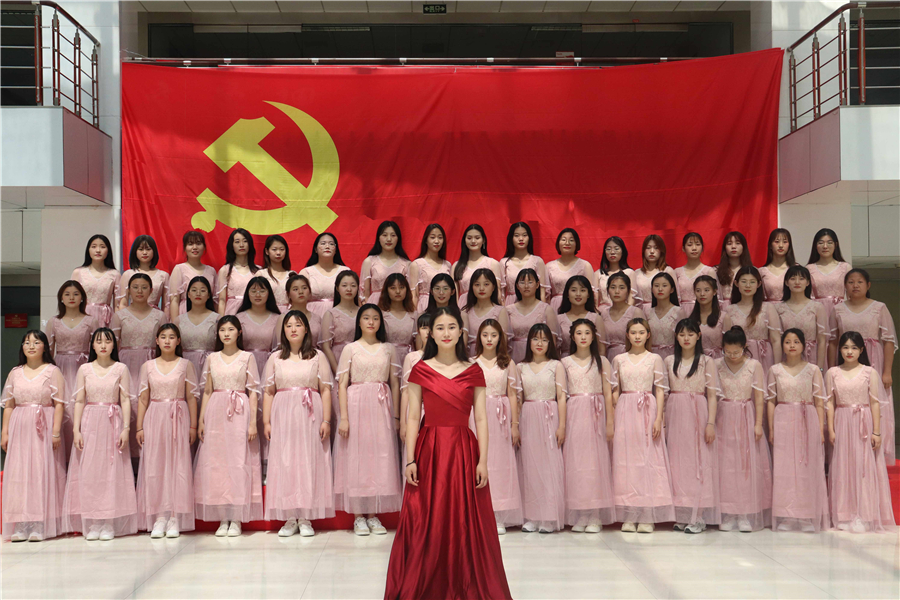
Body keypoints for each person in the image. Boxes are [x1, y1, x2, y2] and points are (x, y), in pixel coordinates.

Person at [385, 308, 512, 600]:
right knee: (425, 519)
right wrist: (410, 459)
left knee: (466, 520)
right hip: (429, 450)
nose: (446, 333)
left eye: (451, 327)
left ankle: (464, 582)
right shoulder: (420, 369)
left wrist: (483, 461)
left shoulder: (474, 370)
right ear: (430, 333)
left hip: (463, 451)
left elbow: (481, 419)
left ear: (460, 332)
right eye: (440, 327)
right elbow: (413, 416)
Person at [262, 311, 335, 537]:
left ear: (306, 329)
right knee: (285, 461)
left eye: (298, 324)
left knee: (308, 460)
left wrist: (326, 420)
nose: (293, 329)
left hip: (310, 414)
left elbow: (325, 389)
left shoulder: (317, 356)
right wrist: (266, 421)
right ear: (283, 330)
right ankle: (289, 517)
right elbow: (268, 391)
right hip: (283, 414)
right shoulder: (275, 358)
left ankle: (305, 517)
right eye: (289, 325)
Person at [333, 304, 403, 536]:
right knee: (357, 457)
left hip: (381, 407)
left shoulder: (388, 349)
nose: (371, 322)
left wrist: (396, 416)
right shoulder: (350, 349)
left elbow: (395, 384)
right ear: (359, 322)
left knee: (379, 458)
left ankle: (373, 515)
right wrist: (344, 417)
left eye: (375, 318)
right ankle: (358, 516)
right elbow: (342, 384)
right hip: (356, 405)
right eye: (366, 318)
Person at [63, 328, 138, 540]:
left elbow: (125, 400)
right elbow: (79, 401)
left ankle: (108, 522)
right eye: (99, 341)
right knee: (90, 472)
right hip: (90, 422)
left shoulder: (120, 368)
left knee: (111, 472)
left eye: (107, 341)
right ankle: (93, 521)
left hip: (113, 422)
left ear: (114, 345)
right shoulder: (84, 369)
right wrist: (76, 430)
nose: (103, 345)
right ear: (93, 345)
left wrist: (126, 428)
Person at [193, 316, 263, 537]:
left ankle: (237, 517)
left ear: (239, 332)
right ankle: (224, 516)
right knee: (218, 462)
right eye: (222, 330)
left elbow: (253, 392)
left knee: (238, 461)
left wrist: (252, 422)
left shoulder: (247, 357)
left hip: (240, 411)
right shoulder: (212, 358)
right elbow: (207, 391)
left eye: (231, 329)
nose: (226, 334)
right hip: (216, 411)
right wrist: (201, 420)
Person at [825, 331, 895, 533]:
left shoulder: (869, 372)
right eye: (845, 347)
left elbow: (875, 403)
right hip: (842, 421)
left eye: (854, 348)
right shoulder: (832, 373)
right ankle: (844, 515)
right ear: (840, 350)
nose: (849, 351)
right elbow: (829, 403)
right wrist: (831, 429)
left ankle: (864, 515)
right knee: (843, 467)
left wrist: (877, 432)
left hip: (863, 422)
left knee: (863, 468)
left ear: (861, 350)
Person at [1, 331, 67, 542]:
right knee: (19, 473)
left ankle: (39, 524)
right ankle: (22, 524)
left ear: (45, 347)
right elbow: (9, 405)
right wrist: (5, 432)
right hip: (20, 425)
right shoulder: (15, 373)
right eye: (27, 342)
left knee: (40, 472)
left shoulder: (52, 371)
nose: (31, 346)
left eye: (36, 342)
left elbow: (59, 404)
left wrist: (55, 432)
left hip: (44, 426)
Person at [611, 318, 674, 533]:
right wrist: (615, 412)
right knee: (627, 461)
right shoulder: (619, 359)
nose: (637, 336)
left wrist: (659, 418)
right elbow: (615, 390)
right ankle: (629, 514)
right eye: (633, 332)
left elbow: (660, 390)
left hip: (648, 409)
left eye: (641, 332)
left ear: (648, 335)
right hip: (625, 409)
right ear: (627, 335)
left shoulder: (655, 359)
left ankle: (647, 514)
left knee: (648, 459)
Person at [135, 324, 198, 538]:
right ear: (157, 340)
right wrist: (139, 426)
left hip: (178, 416)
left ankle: (174, 517)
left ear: (178, 341)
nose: (167, 341)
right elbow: (143, 398)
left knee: (178, 465)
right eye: (163, 337)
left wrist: (193, 426)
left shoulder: (186, 365)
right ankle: (159, 517)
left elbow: (191, 397)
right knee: (155, 465)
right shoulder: (148, 366)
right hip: (155, 416)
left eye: (172, 337)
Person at [828, 268, 896, 463]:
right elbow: (833, 342)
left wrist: (887, 371)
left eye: (859, 282)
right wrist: (832, 368)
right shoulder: (838, 309)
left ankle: (875, 447)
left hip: (874, 360)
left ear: (868, 285)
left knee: (874, 402)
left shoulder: (879, 307)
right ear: (845, 286)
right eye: (851, 282)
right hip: (846, 363)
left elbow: (889, 341)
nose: (855, 285)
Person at [767, 329, 829, 532]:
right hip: (783, 417)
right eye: (787, 342)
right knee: (784, 468)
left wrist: (820, 429)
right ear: (782, 346)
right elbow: (770, 401)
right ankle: (786, 515)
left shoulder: (813, 370)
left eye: (796, 342)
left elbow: (819, 402)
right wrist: (771, 428)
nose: (792, 345)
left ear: (804, 345)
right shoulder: (775, 370)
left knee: (806, 468)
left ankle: (806, 516)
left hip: (807, 418)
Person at [665, 319, 721, 534]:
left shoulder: (707, 362)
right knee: (678, 462)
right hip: (675, 412)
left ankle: (698, 517)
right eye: (681, 334)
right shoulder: (669, 360)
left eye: (690, 334)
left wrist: (710, 423)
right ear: (676, 337)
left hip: (698, 412)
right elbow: (664, 393)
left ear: (699, 336)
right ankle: (682, 514)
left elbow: (712, 395)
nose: (686, 338)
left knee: (698, 462)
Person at [716, 326, 773, 532]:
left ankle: (745, 514)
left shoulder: (754, 365)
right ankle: (728, 513)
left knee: (746, 465)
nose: (732, 356)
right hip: (723, 416)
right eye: (728, 352)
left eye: (736, 352)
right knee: (726, 465)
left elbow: (759, 397)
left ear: (744, 347)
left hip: (746, 415)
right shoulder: (716, 365)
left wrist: (758, 423)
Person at [561, 319, 615, 532]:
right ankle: (580, 514)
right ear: (572, 337)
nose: (583, 337)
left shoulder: (602, 361)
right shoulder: (564, 363)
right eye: (578, 333)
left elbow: (608, 393)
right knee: (576, 463)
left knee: (595, 463)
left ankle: (594, 516)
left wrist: (609, 421)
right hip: (574, 413)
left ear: (593, 337)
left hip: (596, 414)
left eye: (587, 333)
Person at [110, 273, 168, 461]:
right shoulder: (119, 316)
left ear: (151, 291)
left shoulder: (160, 316)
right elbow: (113, 347)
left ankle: (149, 457)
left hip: (152, 365)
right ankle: (127, 459)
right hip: (126, 365)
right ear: (128, 291)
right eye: (135, 287)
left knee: (148, 405)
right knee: (127, 404)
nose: (139, 291)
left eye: (144, 287)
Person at [517, 323, 567, 533]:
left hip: (550, 415)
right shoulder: (520, 367)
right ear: (529, 341)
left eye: (545, 340)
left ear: (550, 343)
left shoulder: (556, 365)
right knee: (530, 466)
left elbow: (562, 396)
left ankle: (548, 517)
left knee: (549, 466)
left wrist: (562, 425)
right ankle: (532, 516)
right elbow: (518, 398)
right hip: (528, 416)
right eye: (536, 339)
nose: (540, 343)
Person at [474, 319, 523, 534]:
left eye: (494, 335)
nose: (489, 339)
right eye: (485, 335)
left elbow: (512, 395)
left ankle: (499, 515)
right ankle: (480, 514)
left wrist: (514, 424)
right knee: (480, 461)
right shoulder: (472, 363)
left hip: (501, 417)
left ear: (500, 338)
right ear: (479, 337)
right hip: (478, 415)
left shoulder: (508, 363)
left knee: (501, 464)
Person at [46, 280, 97, 463]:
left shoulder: (91, 321)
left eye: (76, 294)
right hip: (60, 368)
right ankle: (62, 459)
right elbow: (48, 352)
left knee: (82, 409)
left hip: (84, 368)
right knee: (62, 409)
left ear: (82, 297)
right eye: (67, 294)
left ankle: (82, 459)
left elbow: (97, 349)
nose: (71, 297)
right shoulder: (54, 322)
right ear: (61, 298)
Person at [724, 266, 780, 374]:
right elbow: (727, 342)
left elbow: (776, 340)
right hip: (739, 359)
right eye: (744, 281)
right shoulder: (729, 310)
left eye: (752, 282)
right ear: (736, 283)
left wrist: (777, 368)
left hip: (764, 357)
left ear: (759, 284)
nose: (748, 285)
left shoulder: (768, 308)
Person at [774, 265, 829, 371]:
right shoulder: (778, 308)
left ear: (808, 282)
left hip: (811, 358)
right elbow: (777, 340)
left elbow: (822, 341)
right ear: (786, 282)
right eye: (793, 279)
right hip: (787, 359)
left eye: (801, 279)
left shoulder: (817, 307)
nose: (797, 282)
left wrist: (820, 367)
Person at [507, 268, 559, 363]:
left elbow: (552, 343)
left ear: (537, 284)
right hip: (514, 357)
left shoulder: (547, 310)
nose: (526, 286)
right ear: (517, 286)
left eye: (530, 282)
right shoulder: (508, 310)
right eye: (522, 282)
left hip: (539, 359)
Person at [168, 230, 218, 321]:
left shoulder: (211, 271)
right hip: (184, 315)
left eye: (198, 243)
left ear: (204, 247)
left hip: (207, 316)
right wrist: (175, 324)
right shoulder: (179, 269)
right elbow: (174, 300)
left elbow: (215, 301)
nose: (195, 247)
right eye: (190, 244)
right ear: (185, 248)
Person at [71, 234, 119, 328]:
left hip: (106, 319)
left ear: (108, 250)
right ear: (88, 250)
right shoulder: (78, 272)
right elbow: (71, 299)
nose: (98, 250)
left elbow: (118, 305)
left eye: (102, 247)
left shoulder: (115, 274)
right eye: (94, 246)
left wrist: (117, 326)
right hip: (82, 318)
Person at [299, 232, 351, 319]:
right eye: (323, 243)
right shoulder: (306, 272)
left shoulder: (345, 271)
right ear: (316, 249)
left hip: (339, 316)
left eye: (331, 244)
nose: (327, 246)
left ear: (336, 249)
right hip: (311, 316)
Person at [321, 270, 361, 378]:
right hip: (339, 359)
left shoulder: (363, 312)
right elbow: (326, 347)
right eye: (344, 285)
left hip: (361, 360)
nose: (349, 289)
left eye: (353, 285)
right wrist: (338, 371)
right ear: (337, 288)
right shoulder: (331, 314)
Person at [546, 228, 595, 314]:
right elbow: (545, 295)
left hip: (578, 307)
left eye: (571, 240)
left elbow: (591, 293)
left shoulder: (585, 265)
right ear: (558, 243)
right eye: (563, 239)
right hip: (555, 308)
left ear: (576, 244)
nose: (567, 243)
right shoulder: (549, 266)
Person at [360, 221, 410, 306]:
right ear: (378, 238)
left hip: (398, 307)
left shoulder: (406, 264)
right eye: (384, 235)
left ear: (398, 238)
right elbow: (364, 294)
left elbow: (410, 294)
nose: (389, 239)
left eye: (393, 235)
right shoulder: (369, 261)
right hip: (375, 307)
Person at [807, 228, 851, 322]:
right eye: (821, 243)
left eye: (829, 243)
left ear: (836, 245)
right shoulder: (809, 269)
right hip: (816, 313)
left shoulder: (845, 267)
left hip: (840, 312)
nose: (825, 246)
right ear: (815, 245)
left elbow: (851, 295)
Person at [556, 275, 606, 358]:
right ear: (567, 294)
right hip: (564, 362)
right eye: (574, 290)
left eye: (582, 290)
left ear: (588, 294)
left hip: (590, 362)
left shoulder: (596, 318)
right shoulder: (558, 319)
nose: (578, 294)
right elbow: (555, 350)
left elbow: (601, 350)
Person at [178, 276, 218, 378]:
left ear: (209, 295)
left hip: (210, 367)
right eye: (194, 290)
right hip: (184, 367)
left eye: (203, 290)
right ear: (188, 294)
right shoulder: (179, 320)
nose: (198, 293)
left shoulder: (217, 319)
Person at [116, 235, 169, 311]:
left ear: (154, 251)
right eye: (140, 249)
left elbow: (166, 305)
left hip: (155, 315)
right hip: (133, 314)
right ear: (135, 251)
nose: (144, 253)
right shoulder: (128, 274)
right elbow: (123, 303)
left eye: (148, 249)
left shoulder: (163, 275)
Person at [464, 268, 509, 357]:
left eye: (486, 284)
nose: (481, 288)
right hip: (469, 357)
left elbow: (503, 341)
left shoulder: (500, 311)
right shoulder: (465, 312)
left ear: (493, 287)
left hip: (492, 357)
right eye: (477, 284)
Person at [500, 222, 548, 305]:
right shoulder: (504, 262)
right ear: (511, 238)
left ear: (529, 238)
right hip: (510, 304)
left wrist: (542, 309)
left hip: (532, 304)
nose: (521, 239)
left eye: (524, 235)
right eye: (516, 235)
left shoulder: (537, 261)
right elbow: (501, 293)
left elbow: (542, 292)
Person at [408, 223, 452, 313]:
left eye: (440, 237)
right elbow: (414, 295)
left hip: (444, 308)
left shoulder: (447, 265)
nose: (437, 241)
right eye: (432, 237)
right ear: (426, 240)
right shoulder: (417, 264)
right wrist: (413, 315)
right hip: (424, 307)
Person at [451, 224, 502, 302]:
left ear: (483, 240)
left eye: (477, 238)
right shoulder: (456, 266)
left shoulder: (492, 264)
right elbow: (454, 295)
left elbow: (497, 292)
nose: (473, 241)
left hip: (486, 305)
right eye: (469, 238)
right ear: (464, 241)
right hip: (463, 305)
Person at [217, 228, 260, 316]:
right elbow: (222, 300)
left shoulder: (259, 271)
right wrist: (221, 320)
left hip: (253, 312)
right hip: (232, 313)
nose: (241, 245)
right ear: (232, 246)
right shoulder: (225, 270)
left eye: (245, 241)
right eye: (237, 242)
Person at [378, 272, 418, 368]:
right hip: (386, 359)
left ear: (407, 290)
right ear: (386, 290)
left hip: (409, 360)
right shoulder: (381, 314)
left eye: (401, 287)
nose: (398, 291)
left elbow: (418, 344)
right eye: (393, 288)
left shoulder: (414, 315)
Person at [600, 272, 642, 361]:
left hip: (631, 359)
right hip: (608, 359)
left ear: (628, 291)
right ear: (607, 290)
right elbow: (601, 345)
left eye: (622, 288)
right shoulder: (603, 313)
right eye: (613, 287)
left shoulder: (636, 312)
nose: (617, 291)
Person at [644, 272, 685, 359]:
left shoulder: (679, 312)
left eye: (664, 285)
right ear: (652, 289)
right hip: (652, 357)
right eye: (656, 286)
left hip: (673, 357)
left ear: (672, 289)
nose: (660, 289)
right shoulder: (647, 312)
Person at [674, 232, 716, 315]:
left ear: (702, 248)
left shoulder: (709, 271)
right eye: (690, 245)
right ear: (683, 248)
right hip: (681, 313)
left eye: (697, 244)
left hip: (703, 312)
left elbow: (715, 298)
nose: (694, 248)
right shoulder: (677, 272)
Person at [276, 274, 321, 349]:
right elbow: (280, 345)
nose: (301, 292)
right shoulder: (283, 317)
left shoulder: (317, 318)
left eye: (304, 288)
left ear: (309, 291)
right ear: (288, 294)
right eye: (295, 289)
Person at [633, 234, 676, 309]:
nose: (652, 251)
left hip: (661, 310)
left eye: (656, 248)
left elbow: (676, 297)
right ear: (643, 251)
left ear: (661, 251)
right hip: (640, 310)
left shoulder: (667, 271)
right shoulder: (637, 273)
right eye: (648, 248)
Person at [690, 275, 725, 359]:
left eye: (706, 290)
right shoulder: (691, 318)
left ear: (714, 292)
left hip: (718, 360)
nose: (702, 294)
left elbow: (729, 344)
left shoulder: (723, 317)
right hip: (697, 360)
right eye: (698, 290)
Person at [595, 236, 635, 308]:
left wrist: (627, 312)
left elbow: (632, 296)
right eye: (609, 249)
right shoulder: (598, 274)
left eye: (616, 249)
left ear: (622, 251)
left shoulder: (630, 273)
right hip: (603, 311)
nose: (612, 252)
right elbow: (594, 298)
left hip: (624, 311)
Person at [715, 231, 753, 308]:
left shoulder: (751, 270)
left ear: (743, 247)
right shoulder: (716, 271)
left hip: (745, 308)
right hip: (722, 309)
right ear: (725, 248)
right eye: (729, 243)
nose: (733, 247)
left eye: (738, 243)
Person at [759, 228, 796, 304]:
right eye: (777, 242)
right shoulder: (761, 271)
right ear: (770, 245)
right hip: (768, 309)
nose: (781, 245)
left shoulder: (796, 269)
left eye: (785, 242)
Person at [260, 234, 295, 312]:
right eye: (274, 249)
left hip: (289, 314)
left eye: (282, 249)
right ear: (267, 251)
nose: (278, 253)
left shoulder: (292, 275)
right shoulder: (261, 274)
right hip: (268, 313)